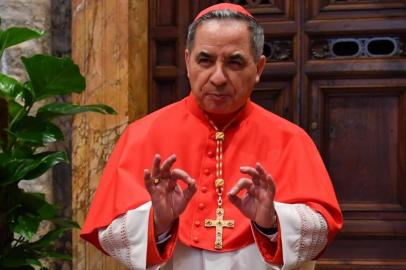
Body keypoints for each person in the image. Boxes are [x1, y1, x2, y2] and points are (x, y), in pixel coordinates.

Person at [80, 3, 343, 270]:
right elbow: (111, 235)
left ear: (259, 68)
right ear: (186, 61)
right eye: (205, 60)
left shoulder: (291, 141)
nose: (218, 77)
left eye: (234, 62)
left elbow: (320, 233)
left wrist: (272, 221)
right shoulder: (142, 135)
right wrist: (158, 221)